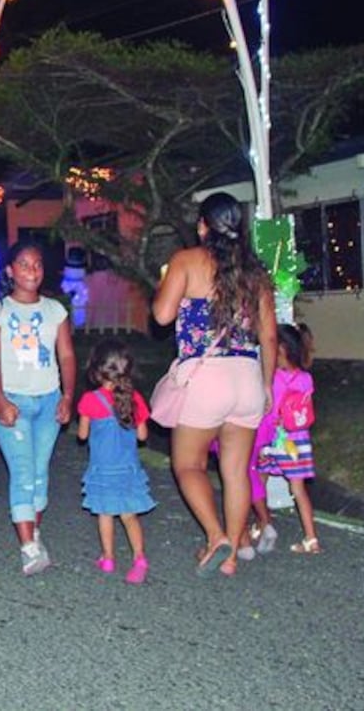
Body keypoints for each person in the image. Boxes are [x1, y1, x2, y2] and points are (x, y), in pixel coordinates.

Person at [151, 192, 277, 577]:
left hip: (206, 377)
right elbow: (270, 337)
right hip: (247, 376)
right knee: (236, 472)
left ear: (203, 225)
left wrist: (167, 285)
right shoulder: (255, 273)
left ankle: (216, 535)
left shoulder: (186, 260)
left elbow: (162, 315)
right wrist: (267, 386)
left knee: (188, 464)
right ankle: (233, 557)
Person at [0, 239, 77, 576]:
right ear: (10, 271)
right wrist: (0, 400)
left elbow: (66, 355)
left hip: (49, 399)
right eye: (24, 264)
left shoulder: (55, 311)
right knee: (23, 473)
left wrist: (67, 396)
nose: (32, 270)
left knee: (40, 473)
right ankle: (28, 548)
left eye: (37, 264)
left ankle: (33, 533)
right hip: (14, 401)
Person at [76, 339, 155, 585]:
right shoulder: (135, 399)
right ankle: (139, 558)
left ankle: (108, 558)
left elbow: (82, 435)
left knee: (105, 514)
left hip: (102, 469)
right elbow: (142, 436)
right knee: (129, 515)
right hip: (128, 468)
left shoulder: (90, 400)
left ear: (97, 370)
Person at [257, 324, 321, 554]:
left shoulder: (273, 378)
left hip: (273, 439)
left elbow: (268, 410)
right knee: (299, 490)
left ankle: (261, 523)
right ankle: (311, 538)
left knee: (258, 481)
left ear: (281, 349)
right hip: (298, 441)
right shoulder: (306, 378)